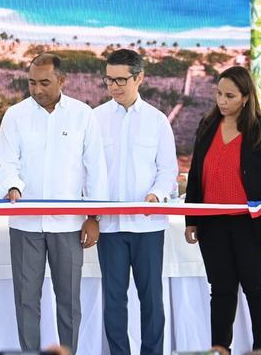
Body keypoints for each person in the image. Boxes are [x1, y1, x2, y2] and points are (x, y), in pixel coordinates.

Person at [0, 53, 108, 354]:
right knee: (26, 299)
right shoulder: (15, 115)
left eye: (44, 82)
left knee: (69, 301)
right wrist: (13, 186)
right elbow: (6, 162)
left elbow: (95, 169)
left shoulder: (83, 114)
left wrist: (94, 216)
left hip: (69, 225)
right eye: (31, 82)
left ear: (62, 80)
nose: (37, 89)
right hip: (25, 223)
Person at [184, 65, 261, 353]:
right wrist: (191, 219)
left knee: (257, 289)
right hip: (213, 225)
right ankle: (220, 349)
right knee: (220, 291)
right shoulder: (207, 126)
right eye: (218, 93)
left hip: (253, 226)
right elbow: (195, 175)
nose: (222, 101)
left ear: (246, 97)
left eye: (230, 96)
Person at [94, 49, 178, 355]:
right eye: (109, 80)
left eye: (121, 80)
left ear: (139, 77)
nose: (114, 86)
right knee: (114, 300)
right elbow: (87, 170)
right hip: (110, 227)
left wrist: (156, 194)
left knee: (152, 300)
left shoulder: (157, 121)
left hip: (148, 226)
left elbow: (168, 169)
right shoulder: (96, 118)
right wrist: (92, 214)